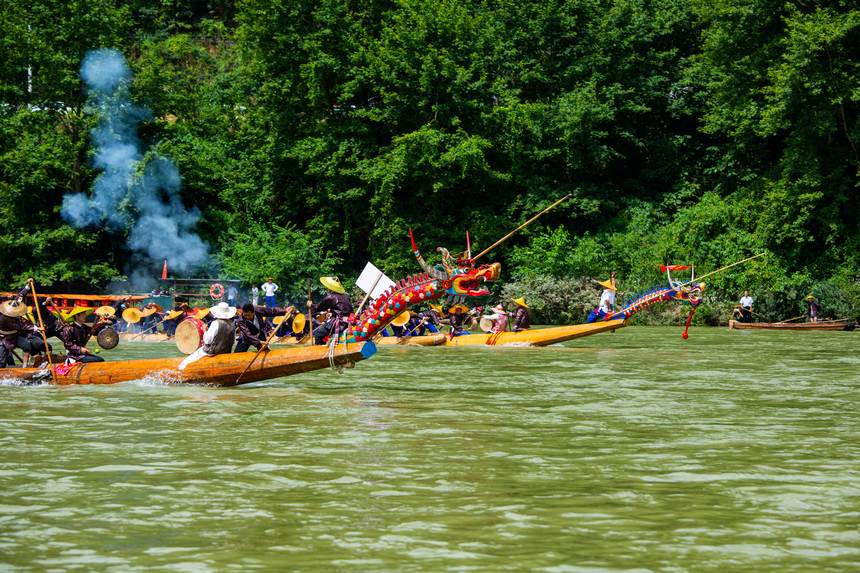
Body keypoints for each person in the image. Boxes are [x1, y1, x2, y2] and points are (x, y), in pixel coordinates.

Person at [178, 302, 237, 370]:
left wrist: (205, 330)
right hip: (226, 352)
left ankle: (180, 371)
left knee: (187, 360)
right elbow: (233, 341)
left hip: (212, 352)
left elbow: (207, 341)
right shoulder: (232, 324)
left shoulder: (216, 323)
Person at [307, 276, 354, 344]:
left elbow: (318, 308)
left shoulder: (331, 297)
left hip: (340, 324)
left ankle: (320, 350)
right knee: (322, 328)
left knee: (317, 333)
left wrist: (310, 305)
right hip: (348, 322)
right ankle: (328, 344)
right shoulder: (345, 296)